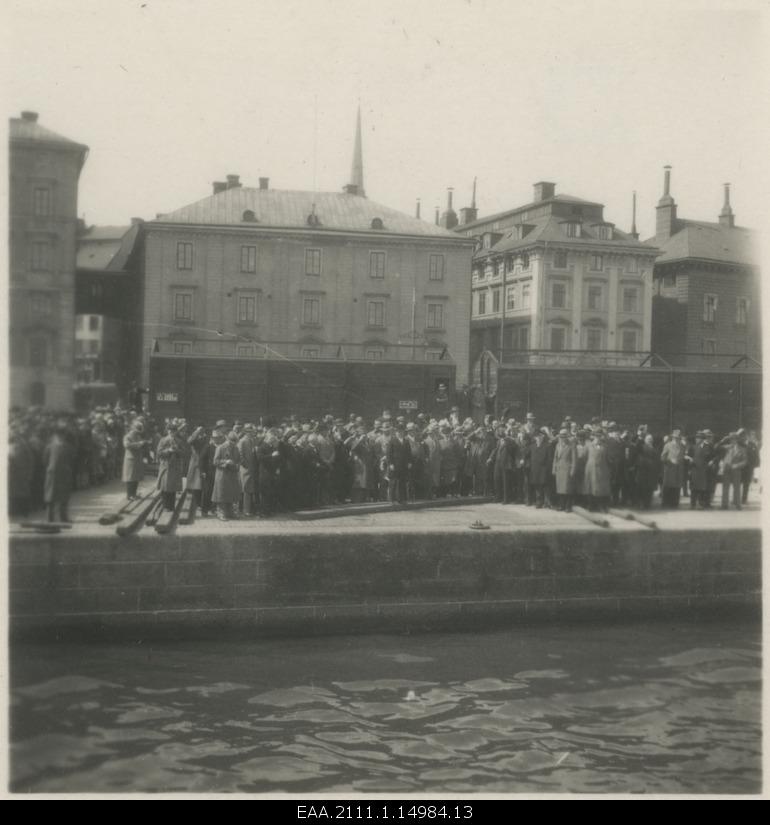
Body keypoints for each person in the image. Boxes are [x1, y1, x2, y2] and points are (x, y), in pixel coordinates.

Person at [43, 424, 75, 523]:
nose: (60, 437)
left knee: (57, 496)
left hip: (56, 473)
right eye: (60, 435)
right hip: (59, 474)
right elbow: (72, 460)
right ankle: (56, 518)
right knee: (57, 496)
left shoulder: (51, 446)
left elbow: (44, 460)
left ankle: (57, 518)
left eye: (61, 435)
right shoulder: (67, 447)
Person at [212, 431, 242, 520]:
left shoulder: (236, 448)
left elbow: (239, 460)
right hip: (223, 475)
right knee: (222, 494)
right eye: (232, 442)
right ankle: (221, 513)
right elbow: (215, 461)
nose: (234, 444)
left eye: (235, 442)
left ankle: (230, 512)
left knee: (231, 494)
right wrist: (225, 462)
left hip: (232, 474)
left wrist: (237, 465)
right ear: (228, 440)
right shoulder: (220, 448)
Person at [155, 422, 185, 511]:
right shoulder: (163, 440)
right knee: (165, 486)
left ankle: (171, 506)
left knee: (173, 487)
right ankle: (165, 506)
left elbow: (184, 453)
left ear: (176, 432)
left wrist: (177, 450)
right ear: (167, 431)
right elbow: (159, 453)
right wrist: (168, 450)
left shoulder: (179, 441)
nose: (172, 432)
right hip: (166, 466)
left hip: (175, 466)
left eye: (174, 431)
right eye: (170, 431)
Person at [186, 425, 212, 517]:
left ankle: (202, 506)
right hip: (195, 464)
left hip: (204, 464)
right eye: (199, 431)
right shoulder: (194, 438)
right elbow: (190, 441)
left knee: (203, 486)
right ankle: (197, 505)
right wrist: (196, 432)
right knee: (196, 486)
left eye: (202, 431)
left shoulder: (206, 439)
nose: (201, 432)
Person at [585, 429, 611, 512]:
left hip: (602, 469)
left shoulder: (605, 446)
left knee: (601, 488)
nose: (598, 438)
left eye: (599, 436)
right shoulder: (589, 445)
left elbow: (608, 458)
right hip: (591, 469)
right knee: (591, 487)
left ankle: (601, 506)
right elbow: (584, 457)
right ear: (593, 436)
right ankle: (591, 505)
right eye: (596, 436)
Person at [121, 421, 148, 500]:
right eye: (136, 430)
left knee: (136, 477)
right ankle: (129, 495)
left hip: (137, 459)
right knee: (130, 478)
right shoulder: (127, 436)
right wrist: (139, 444)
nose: (138, 432)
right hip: (130, 459)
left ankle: (134, 494)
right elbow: (127, 445)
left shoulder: (138, 436)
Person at [721, 432, 747, 510]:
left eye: (734, 439)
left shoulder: (742, 449)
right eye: (731, 439)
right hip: (727, 470)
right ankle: (724, 505)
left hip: (736, 471)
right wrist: (723, 440)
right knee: (725, 488)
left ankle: (737, 504)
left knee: (737, 488)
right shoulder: (726, 447)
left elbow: (745, 461)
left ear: (737, 440)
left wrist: (737, 465)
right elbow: (717, 448)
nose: (733, 441)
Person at [552, 428, 576, 511]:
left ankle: (568, 506)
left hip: (567, 469)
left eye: (564, 436)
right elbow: (555, 458)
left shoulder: (571, 445)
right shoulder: (557, 445)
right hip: (559, 469)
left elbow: (574, 459)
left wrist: (572, 470)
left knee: (567, 489)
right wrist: (554, 469)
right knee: (560, 489)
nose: (562, 438)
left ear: (567, 437)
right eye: (561, 436)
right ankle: (561, 505)